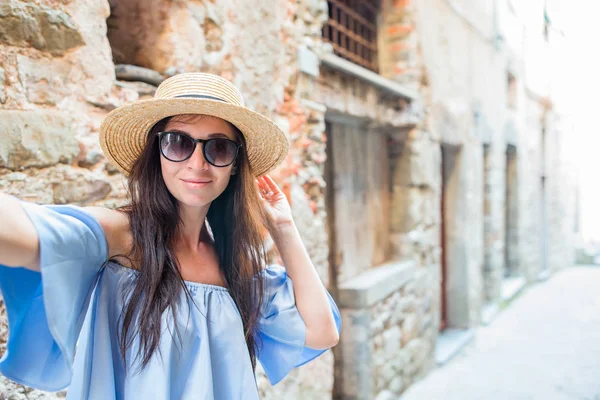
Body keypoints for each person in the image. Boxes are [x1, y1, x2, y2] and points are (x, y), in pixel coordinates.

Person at [0, 73, 341, 399]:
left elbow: (320, 332)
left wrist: (284, 229)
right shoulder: (123, 237)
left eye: (218, 148)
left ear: (235, 164)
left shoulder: (235, 264)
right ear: (157, 153)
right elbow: (28, 234)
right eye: (178, 143)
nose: (197, 163)